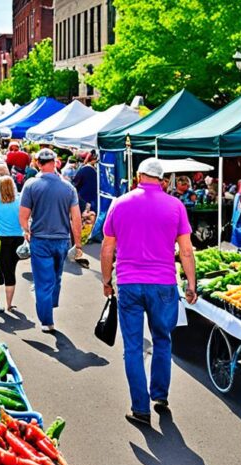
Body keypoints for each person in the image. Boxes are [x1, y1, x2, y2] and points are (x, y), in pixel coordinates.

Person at [101, 158, 197, 425]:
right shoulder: (175, 206)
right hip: (163, 283)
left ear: (139, 176)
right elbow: (186, 250)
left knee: (132, 346)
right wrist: (191, 284)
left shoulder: (119, 203)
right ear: (162, 179)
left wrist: (107, 280)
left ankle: (140, 408)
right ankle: (160, 395)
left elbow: (108, 248)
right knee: (162, 339)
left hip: (129, 283)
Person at [19, 148, 82, 332]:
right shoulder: (68, 187)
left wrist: (26, 231)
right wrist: (78, 245)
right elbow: (76, 218)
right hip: (62, 239)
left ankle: (47, 320)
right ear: (56, 163)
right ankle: (49, 304)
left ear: (38, 163)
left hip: (40, 238)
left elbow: (23, 215)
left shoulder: (31, 185)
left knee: (43, 281)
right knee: (56, 276)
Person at [0, 175, 25, 313]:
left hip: (1, 239)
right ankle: (9, 304)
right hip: (18, 238)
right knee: (10, 271)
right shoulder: (19, 198)